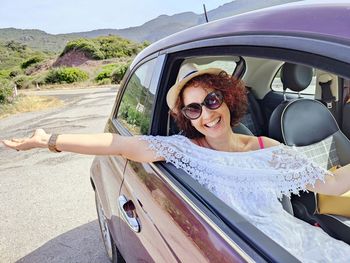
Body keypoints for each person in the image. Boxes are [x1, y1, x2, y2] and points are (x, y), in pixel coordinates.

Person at [2, 65, 350, 262]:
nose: (207, 114)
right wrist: (47, 140)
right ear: (186, 117)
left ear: (227, 99)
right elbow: (117, 143)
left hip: (292, 243)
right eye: (193, 109)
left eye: (212, 100)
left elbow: (331, 185)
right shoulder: (183, 150)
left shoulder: (266, 147)